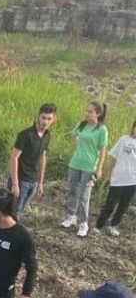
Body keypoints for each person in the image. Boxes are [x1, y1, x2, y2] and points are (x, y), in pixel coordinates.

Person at [61, 102, 108, 238]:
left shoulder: (101, 129)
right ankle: (70, 216)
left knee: (83, 196)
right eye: (86, 111)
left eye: (90, 111)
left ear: (98, 114)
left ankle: (83, 223)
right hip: (75, 163)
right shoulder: (82, 125)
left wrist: (99, 169)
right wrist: (77, 143)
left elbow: (102, 151)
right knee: (72, 191)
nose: (87, 113)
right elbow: (73, 137)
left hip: (89, 166)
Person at [8, 103, 57, 218]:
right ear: (38, 116)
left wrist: (40, 182)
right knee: (13, 213)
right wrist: (15, 183)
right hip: (21, 180)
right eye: (43, 118)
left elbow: (42, 158)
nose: (45, 122)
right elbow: (14, 157)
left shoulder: (47, 135)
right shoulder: (26, 135)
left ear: (54, 119)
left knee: (20, 211)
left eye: (49, 119)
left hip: (33, 181)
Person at [93, 118, 136, 236]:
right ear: (133, 127)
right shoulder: (123, 139)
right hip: (118, 178)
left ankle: (113, 225)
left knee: (123, 205)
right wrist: (109, 174)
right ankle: (98, 225)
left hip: (132, 180)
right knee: (110, 204)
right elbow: (114, 158)